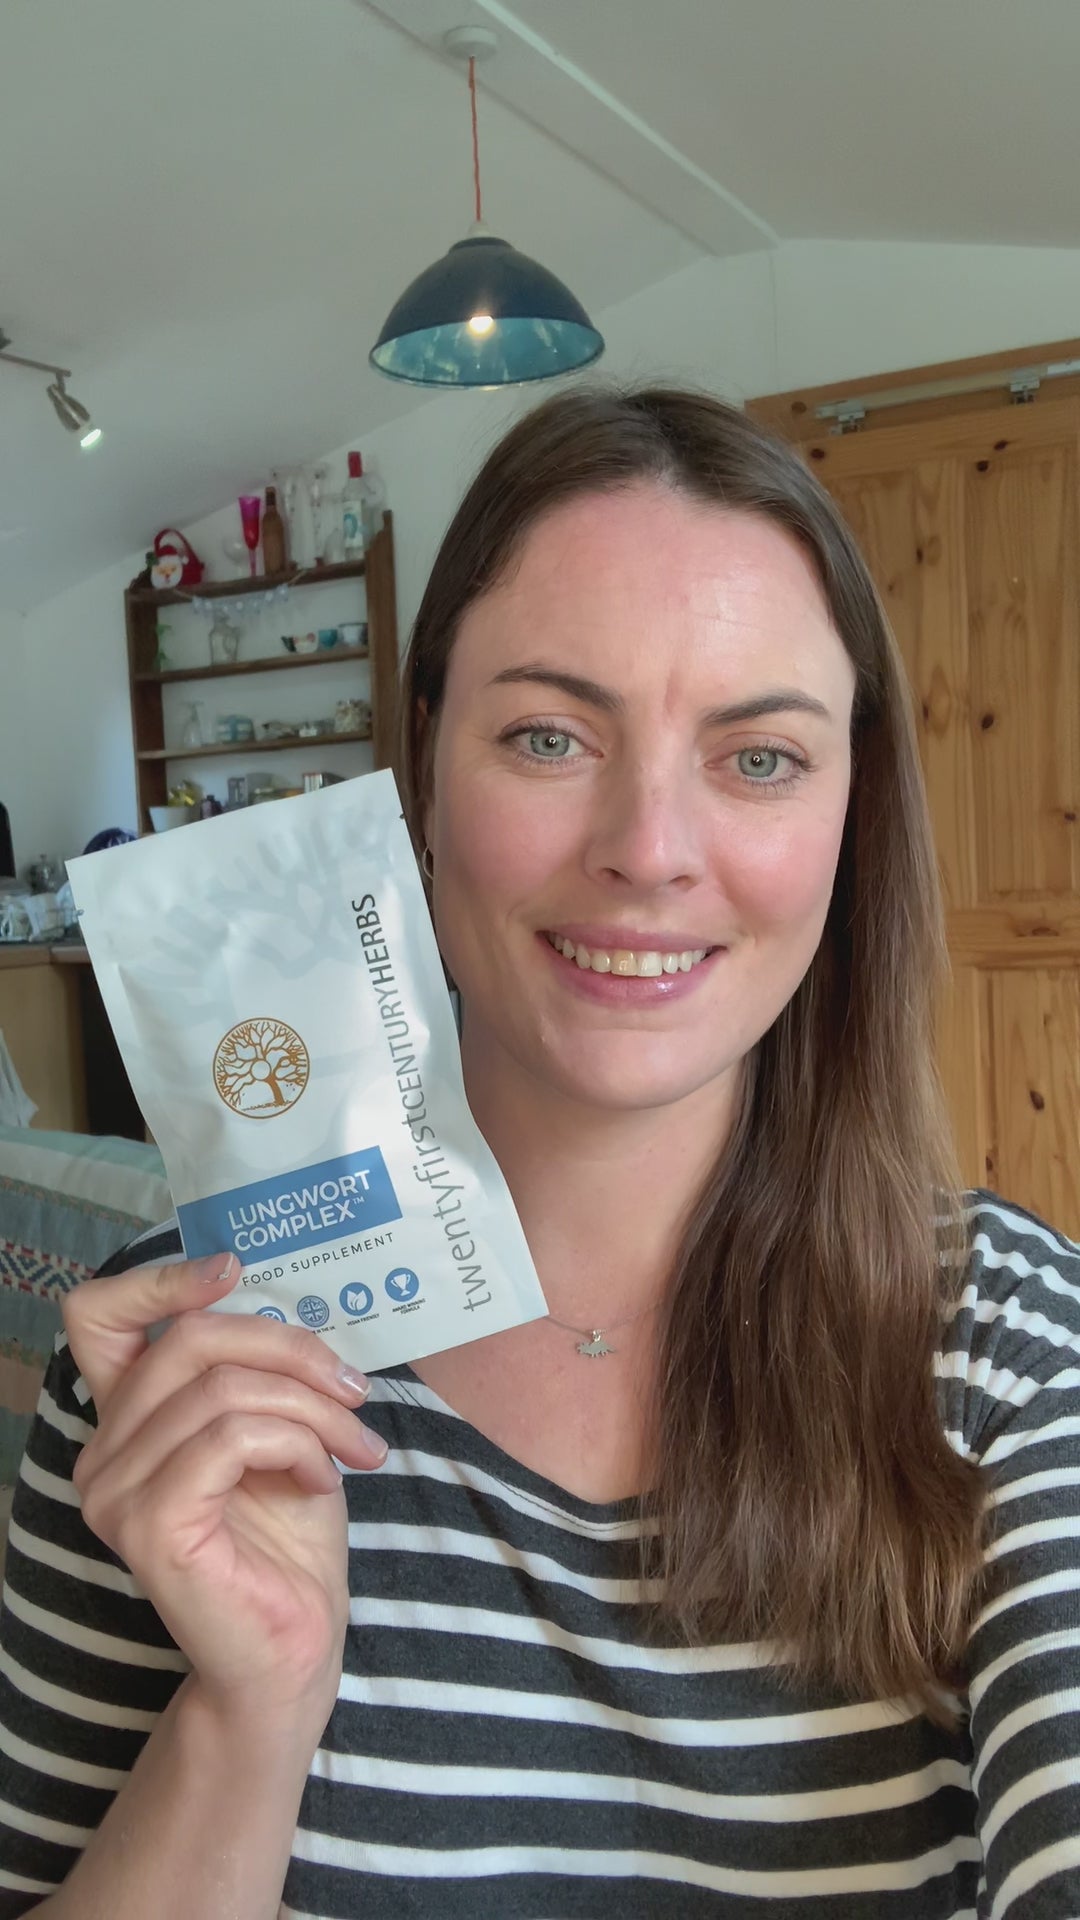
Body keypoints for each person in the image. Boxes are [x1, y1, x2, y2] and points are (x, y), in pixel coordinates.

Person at [0, 386, 1078, 1919]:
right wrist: (250, 1718)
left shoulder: (1015, 1352)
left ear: (855, 810)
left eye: (760, 758)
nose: (649, 848)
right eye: (549, 736)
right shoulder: (173, 1368)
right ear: (425, 772)